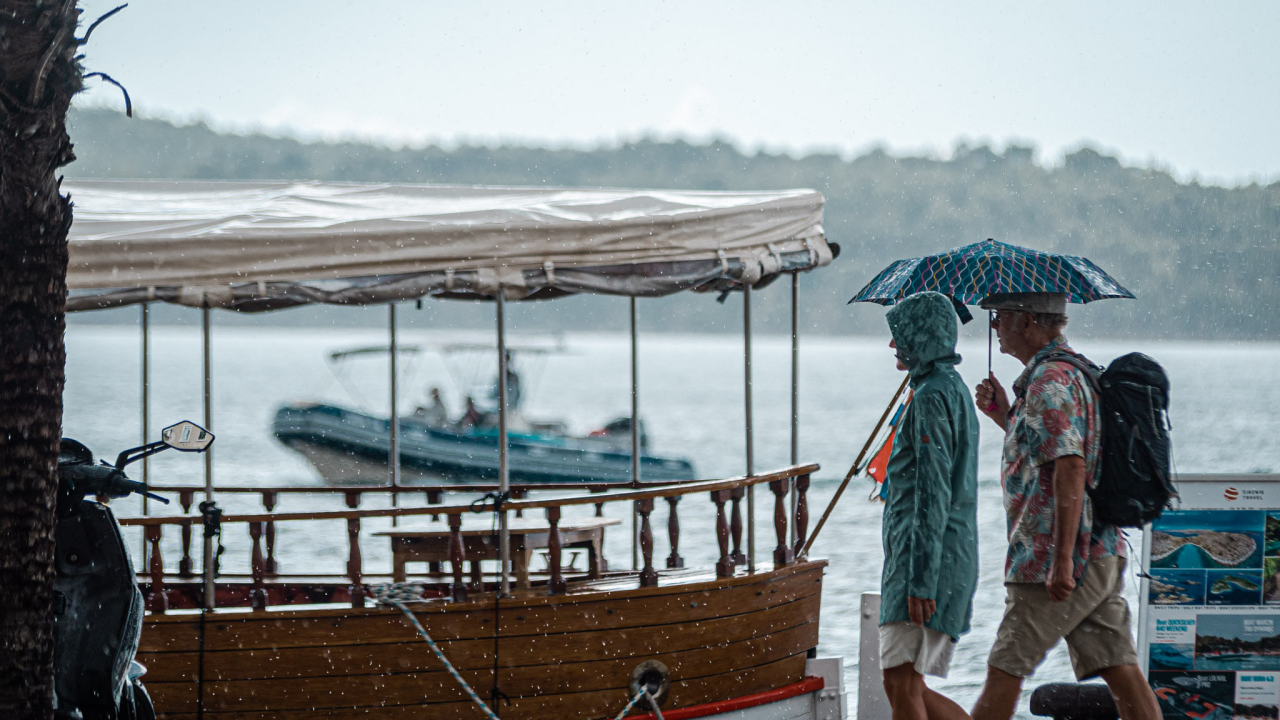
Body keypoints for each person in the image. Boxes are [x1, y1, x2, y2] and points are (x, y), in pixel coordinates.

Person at [971, 292, 1159, 720]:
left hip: (1053, 558)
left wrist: (1061, 562)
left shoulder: (1049, 381)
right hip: (1099, 549)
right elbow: (1053, 452)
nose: (995, 326)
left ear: (1027, 322)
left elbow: (1071, 466)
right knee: (1122, 671)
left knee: (1004, 669)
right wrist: (1004, 415)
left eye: (1000, 317)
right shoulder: (1075, 371)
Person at [878, 292, 980, 720]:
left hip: (924, 563)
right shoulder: (950, 389)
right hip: (944, 555)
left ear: (921, 338)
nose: (892, 344)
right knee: (909, 684)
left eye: (900, 334)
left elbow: (932, 493)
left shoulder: (930, 397)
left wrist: (921, 580)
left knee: (899, 683)